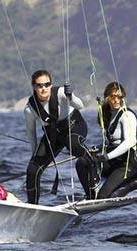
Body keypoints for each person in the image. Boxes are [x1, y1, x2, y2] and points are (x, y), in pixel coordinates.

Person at [24, 70, 95, 204]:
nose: (44, 88)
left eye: (47, 84)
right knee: (32, 170)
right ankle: (32, 205)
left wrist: (71, 97)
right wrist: (34, 154)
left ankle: (92, 190)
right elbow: (31, 132)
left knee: (73, 145)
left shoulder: (61, 93)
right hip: (53, 134)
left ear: (51, 85)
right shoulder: (30, 109)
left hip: (74, 126)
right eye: (39, 85)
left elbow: (80, 106)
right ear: (34, 87)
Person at [76, 81, 137, 199]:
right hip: (114, 163)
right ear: (107, 98)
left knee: (103, 197)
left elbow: (129, 142)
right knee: (83, 162)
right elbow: (112, 142)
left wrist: (106, 157)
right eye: (113, 97)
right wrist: (98, 149)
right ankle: (90, 196)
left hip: (127, 166)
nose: (116, 100)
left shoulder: (127, 116)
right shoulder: (110, 115)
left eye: (119, 97)